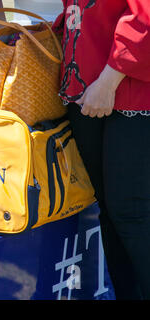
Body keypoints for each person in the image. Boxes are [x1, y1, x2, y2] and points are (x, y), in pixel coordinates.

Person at [53, 0, 150, 299]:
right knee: (110, 210)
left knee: (132, 212)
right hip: (84, 89)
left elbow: (144, 16)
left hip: (128, 90)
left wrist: (108, 82)